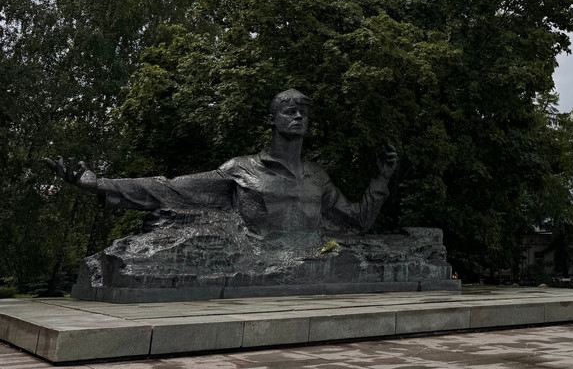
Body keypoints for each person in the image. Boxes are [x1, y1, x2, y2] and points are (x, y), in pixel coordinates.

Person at [46, 89, 397, 237]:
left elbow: (356, 222)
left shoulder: (317, 176)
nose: (299, 118)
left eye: (304, 113)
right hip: (255, 264)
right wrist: (100, 183)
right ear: (272, 120)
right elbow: (170, 188)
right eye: (290, 112)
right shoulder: (240, 169)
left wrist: (381, 178)